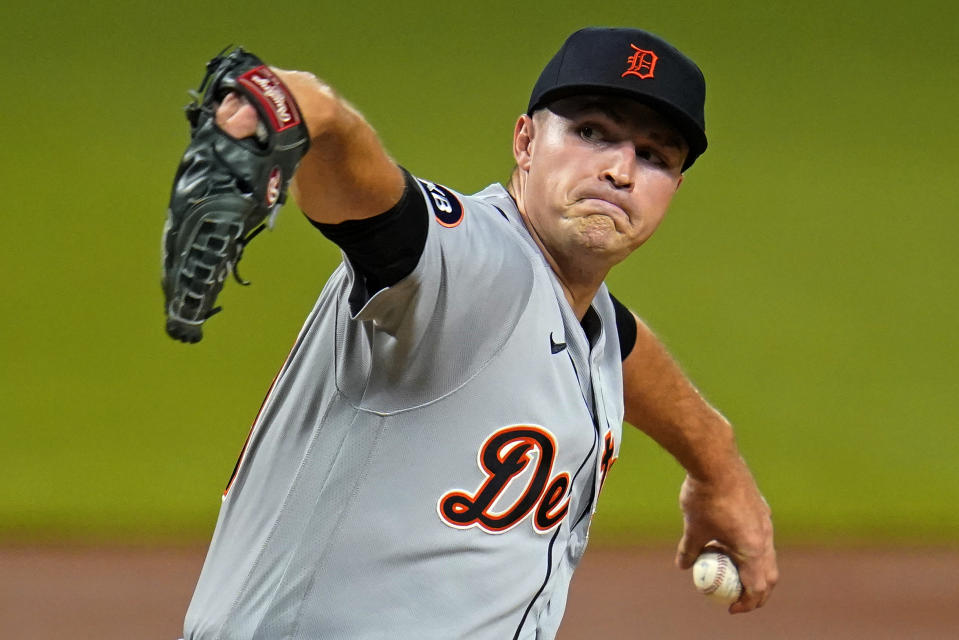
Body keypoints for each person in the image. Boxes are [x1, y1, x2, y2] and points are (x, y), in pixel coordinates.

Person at [181, 26, 777, 639]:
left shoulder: (578, 312)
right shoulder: (471, 261)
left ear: (675, 188)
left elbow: (619, 341)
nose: (620, 171)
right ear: (526, 141)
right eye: (591, 132)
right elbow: (383, 212)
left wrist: (718, 465)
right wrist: (311, 109)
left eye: (654, 156)